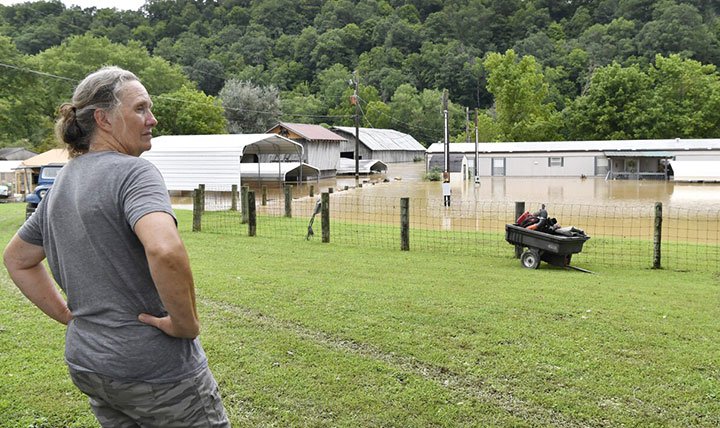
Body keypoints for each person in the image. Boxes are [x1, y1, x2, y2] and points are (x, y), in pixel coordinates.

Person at [3, 66, 229, 427]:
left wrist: (69, 317)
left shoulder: (62, 183)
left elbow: (17, 259)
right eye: (140, 109)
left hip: (90, 365)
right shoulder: (135, 173)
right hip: (156, 372)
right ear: (103, 119)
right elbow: (165, 250)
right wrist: (186, 324)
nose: (152, 119)